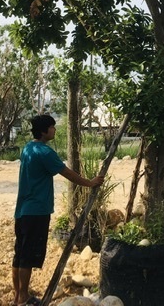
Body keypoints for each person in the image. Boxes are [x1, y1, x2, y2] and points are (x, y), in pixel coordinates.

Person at [12, 114, 104, 306]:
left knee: (20, 254)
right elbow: (67, 172)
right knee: (28, 256)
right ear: (44, 131)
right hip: (37, 211)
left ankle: (19, 295)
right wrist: (89, 183)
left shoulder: (28, 148)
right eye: (52, 127)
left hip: (22, 210)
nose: (54, 130)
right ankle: (22, 298)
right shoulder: (45, 152)